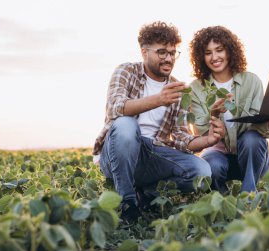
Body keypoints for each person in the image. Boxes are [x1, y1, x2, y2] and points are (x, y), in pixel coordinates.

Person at [93, 21, 225, 224]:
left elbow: (180, 137)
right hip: (117, 153)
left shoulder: (177, 88)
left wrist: (208, 140)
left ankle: (145, 194)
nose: (168, 58)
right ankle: (127, 203)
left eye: (173, 53)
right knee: (126, 125)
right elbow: (115, 107)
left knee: (202, 172)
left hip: (152, 154)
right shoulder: (126, 71)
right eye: (162, 52)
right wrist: (158, 100)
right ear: (144, 52)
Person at [189, 26, 269, 194]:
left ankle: (249, 196)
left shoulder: (251, 81)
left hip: (251, 157)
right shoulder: (196, 88)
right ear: (201, 57)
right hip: (219, 155)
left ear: (229, 51)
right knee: (212, 165)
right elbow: (200, 132)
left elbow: (257, 127)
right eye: (208, 53)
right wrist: (214, 115)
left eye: (219, 50)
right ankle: (222, 201)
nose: (214, 57)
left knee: (251, 139)